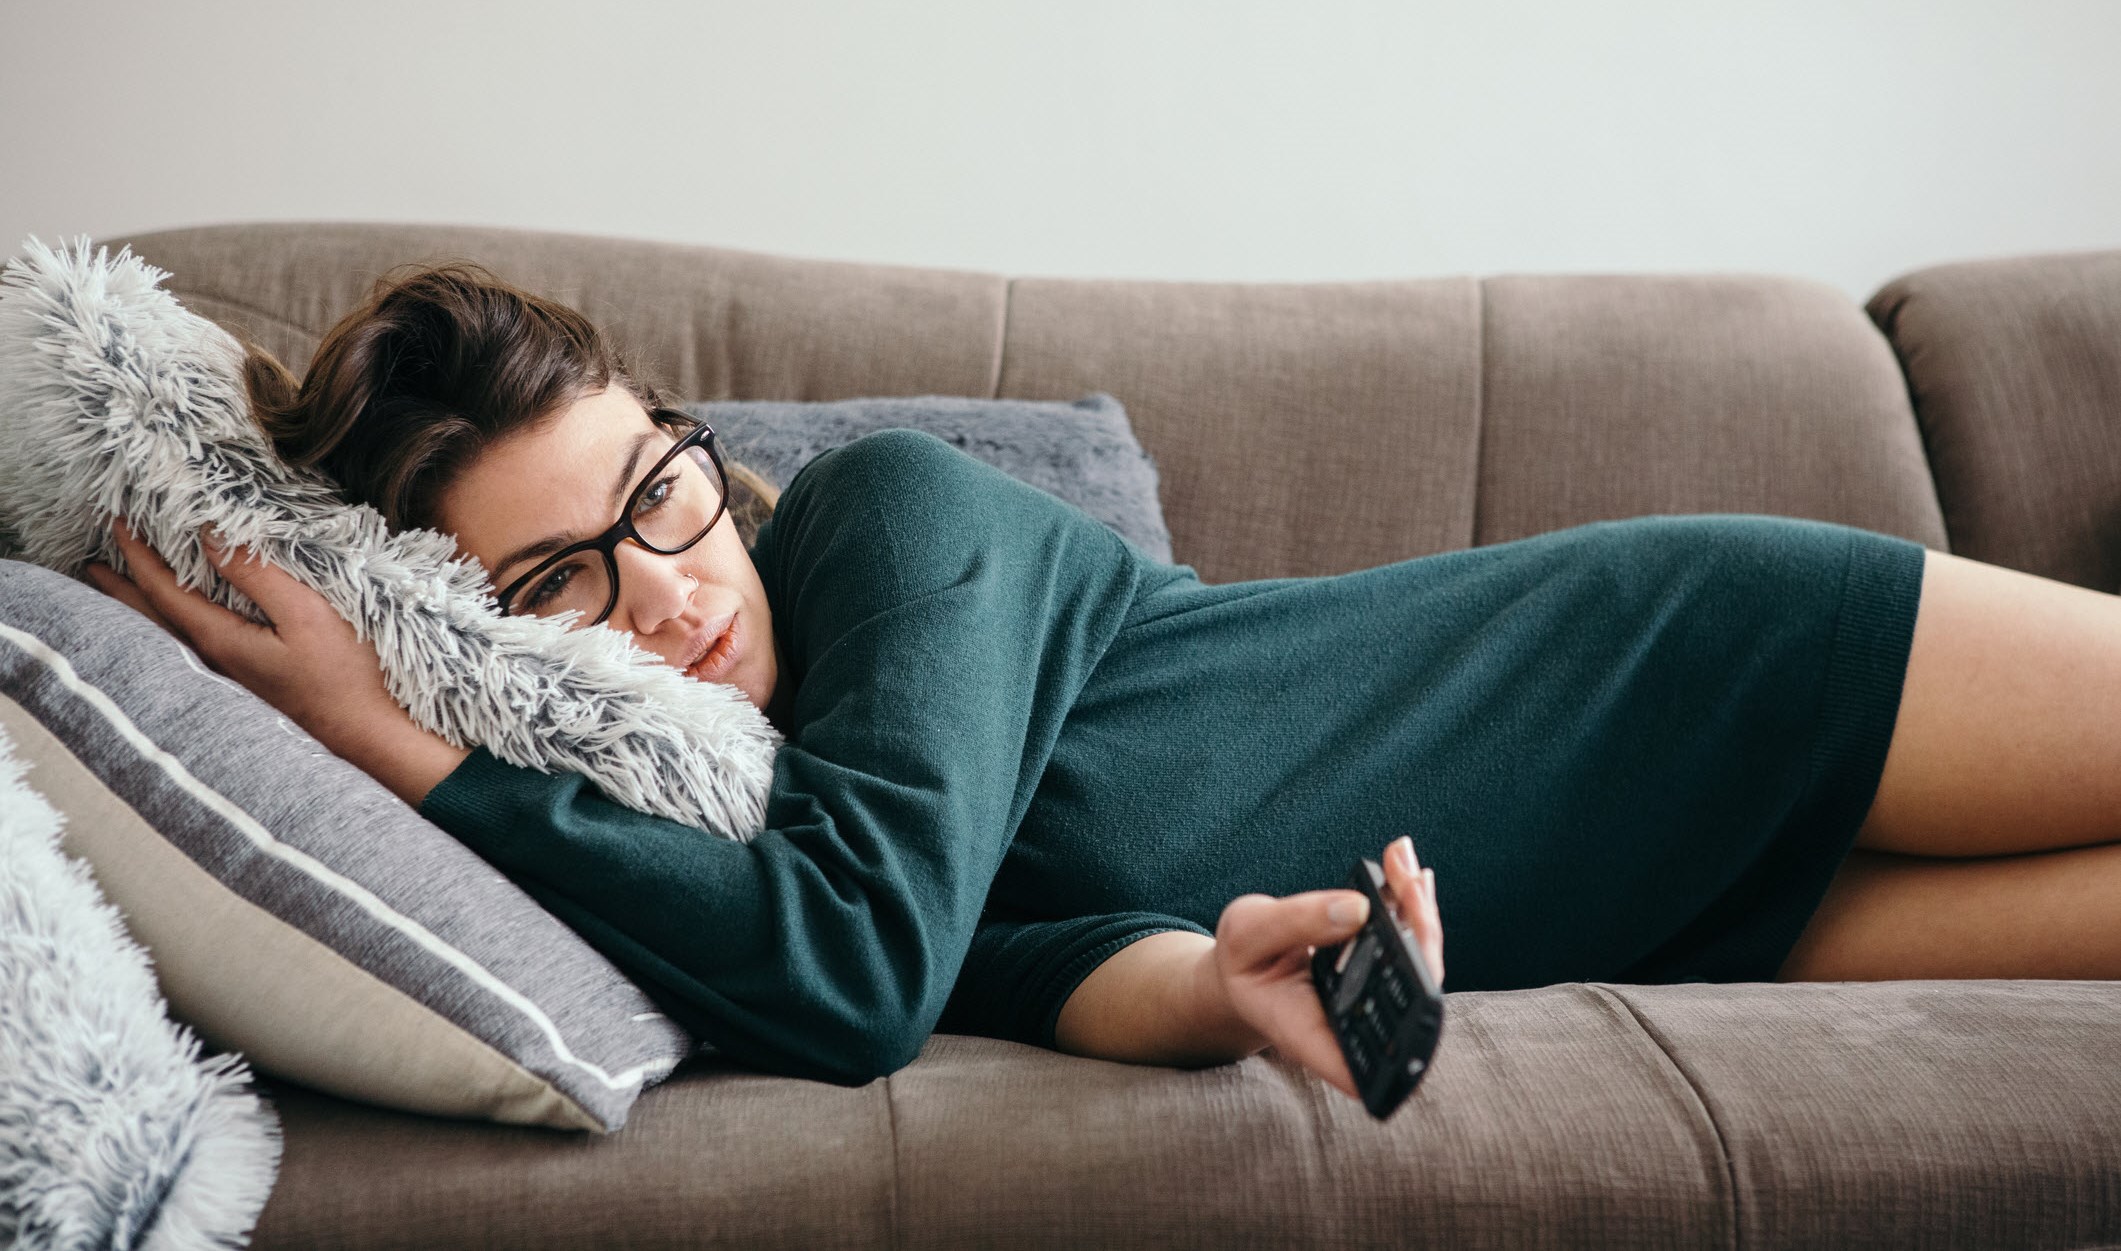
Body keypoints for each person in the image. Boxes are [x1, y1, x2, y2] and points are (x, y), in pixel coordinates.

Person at [86, 263, 2121, 1102]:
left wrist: (395, 741)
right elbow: (1011, 961)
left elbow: (858, 974)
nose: (670, 592)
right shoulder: (782, 816)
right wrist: (1217, 983)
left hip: (1700, 670)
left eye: (663, 495)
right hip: (1703, 918)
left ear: (702, 449)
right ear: (490, 624)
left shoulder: (890, 526)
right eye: (563, 578)